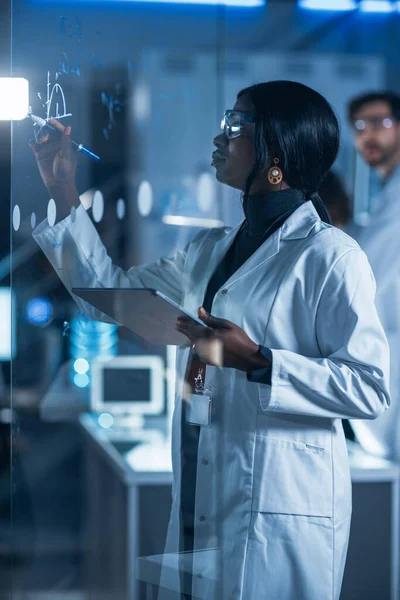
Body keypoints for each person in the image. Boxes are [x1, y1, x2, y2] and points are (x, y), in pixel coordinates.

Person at [30, 80, 390, 600]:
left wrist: (261, 361)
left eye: (236, 125)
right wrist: (62, 189)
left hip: (279, 507)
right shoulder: (210, 250)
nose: (220, 138)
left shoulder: (331, 256)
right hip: (204, 486)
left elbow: (370, 388)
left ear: (276, 152)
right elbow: (104, 296)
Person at [347, 91, 400, 460]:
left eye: (381, 123)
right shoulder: (386, 195)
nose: (370, 135)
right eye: (360, 126)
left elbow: (372, 273)